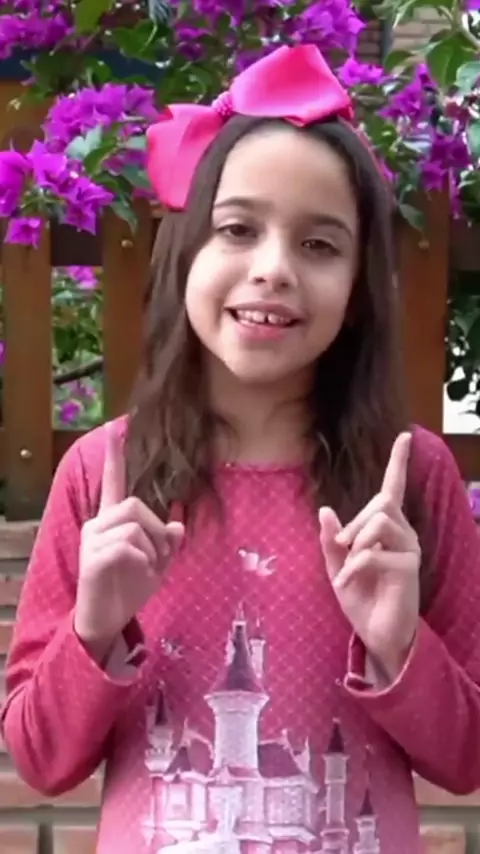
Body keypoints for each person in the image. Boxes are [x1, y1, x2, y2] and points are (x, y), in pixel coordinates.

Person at [2, 44, 480, 854]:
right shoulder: (106, 477)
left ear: (359, 290)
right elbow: (41, 759)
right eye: (237, 229)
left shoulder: (407, 484)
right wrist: (94, 629)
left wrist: (402, 645)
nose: (273, 270)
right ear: (185, 251)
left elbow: (465, 759)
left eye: (319, 245)